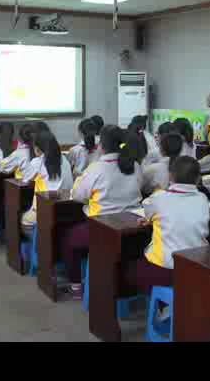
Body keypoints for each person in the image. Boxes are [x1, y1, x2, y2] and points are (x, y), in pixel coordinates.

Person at [65, 125, 143, 300]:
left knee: (69, 238)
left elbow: (77, 196)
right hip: (132, 232)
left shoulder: (96, 168)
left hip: (102, 230)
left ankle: (75, 285)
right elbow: (141, 186)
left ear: (101, 145)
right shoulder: (134, 165)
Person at [128, 156, 209, 294]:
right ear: (198, 179)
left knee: (131, 268)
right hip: (196, 267)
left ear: (170, 176)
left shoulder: (159, 197)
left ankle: (158, 301)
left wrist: (151, 219)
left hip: (166, 269)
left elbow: (148, 208)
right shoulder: (203, 199)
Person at [21, 131, 73, 235]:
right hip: (66, 211)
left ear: (37, 148)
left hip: (44, 211)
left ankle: (35, 242)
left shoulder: (37, 162)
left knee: (24, 219)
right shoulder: (65, 160)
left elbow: (25, 179)